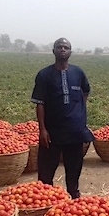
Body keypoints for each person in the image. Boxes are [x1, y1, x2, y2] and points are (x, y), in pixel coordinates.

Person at [30, 37, 94, 199]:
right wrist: (42, 129)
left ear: (71, 52)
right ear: (54, 51)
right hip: (52, 132)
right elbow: (40, 103)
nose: (63, 49)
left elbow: (85, 92)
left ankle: (73, 197)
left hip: (74, 132)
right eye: (59, 47)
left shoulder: (78, 73)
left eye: (66, 47)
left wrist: (77, 113)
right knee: (46, 171)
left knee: (74, 169)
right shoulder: (44, 75)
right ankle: (45, 199)